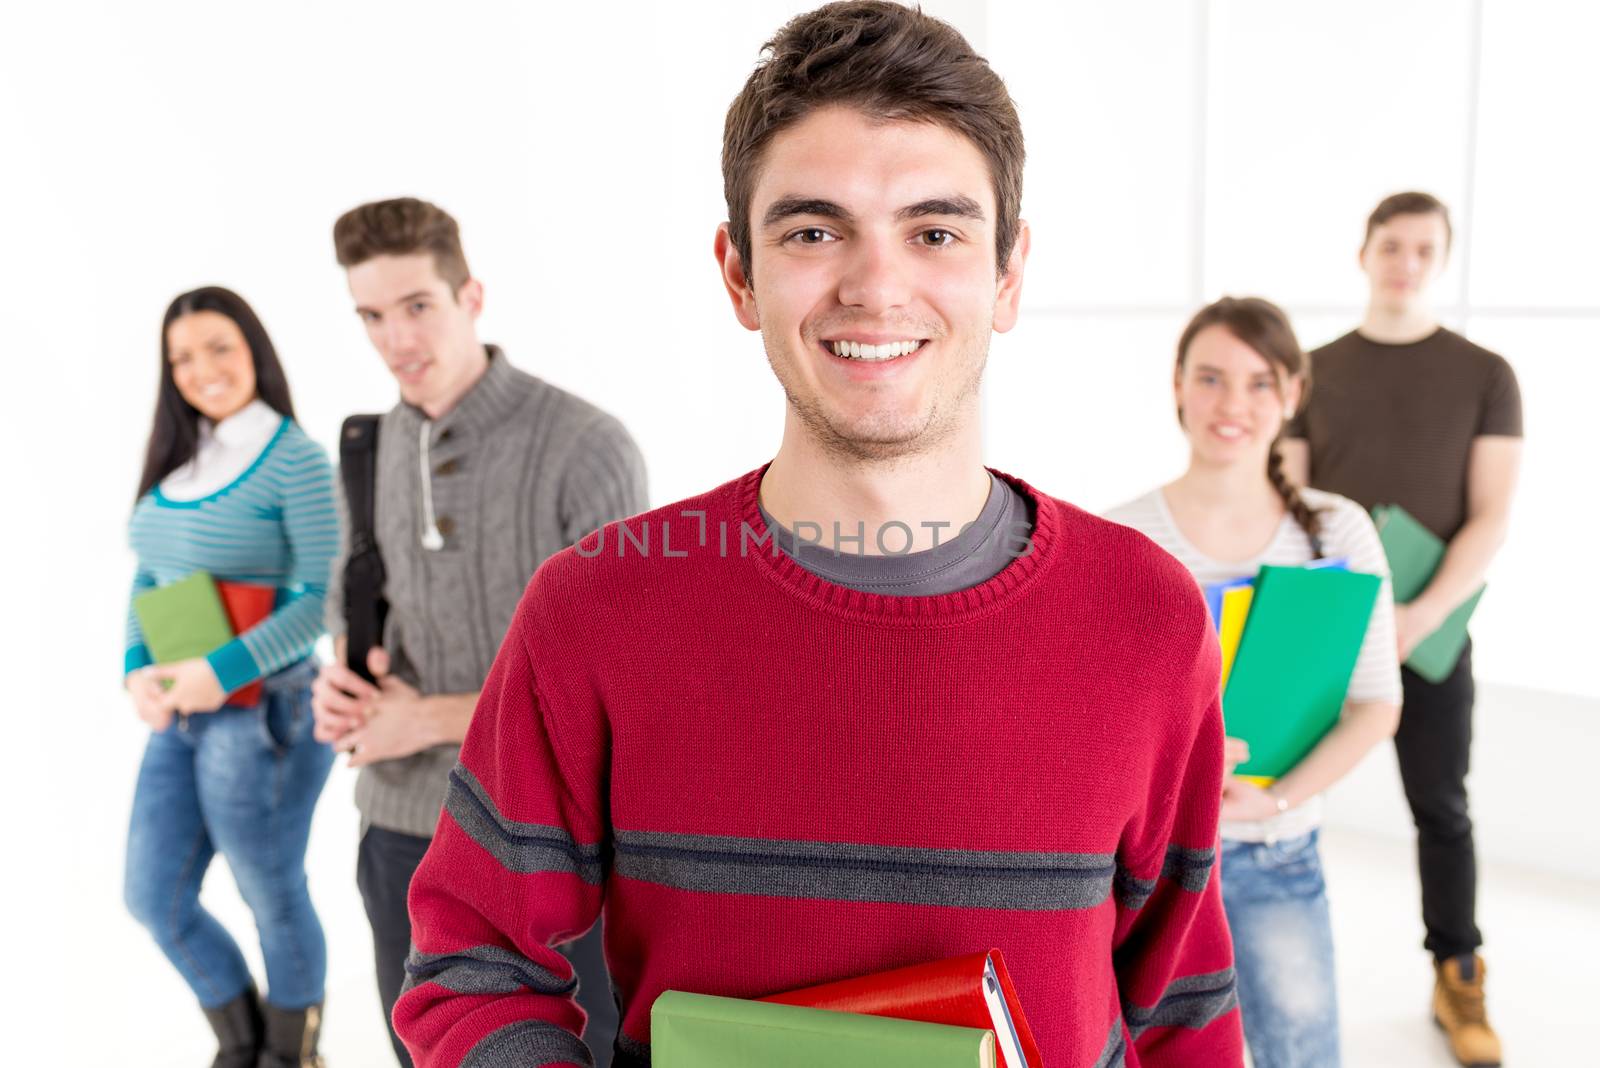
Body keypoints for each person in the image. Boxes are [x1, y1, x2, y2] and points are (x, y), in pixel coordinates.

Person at [394, 4, 1244, 1066]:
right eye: (812, 231)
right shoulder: (597, 610)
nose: (874, 287)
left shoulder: (1146, 615)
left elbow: (1181, 1009)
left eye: (934, 231)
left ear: (1008, 274)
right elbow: (473, 962)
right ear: (739, 274)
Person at [309, 197, 646, 1067]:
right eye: (372, 316)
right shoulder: (365, 447)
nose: (395, 339)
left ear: (472, 297)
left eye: (416, 306)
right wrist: (345, 687)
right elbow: (372, 615)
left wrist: (424, 718)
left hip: (548, 849)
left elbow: (620, 691)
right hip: (399, 835)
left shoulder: (587, 447)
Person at [1106, 297, 1402, 1068]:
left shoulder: (1337, 532)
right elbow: (1097, 720)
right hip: (1149, 869)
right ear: (1176, 386)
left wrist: (1274, 799)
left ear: (1293, 395)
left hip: (1276, 850)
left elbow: (1378, 705)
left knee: (1300, 1054)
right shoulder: (1123, 541)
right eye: (1210, 377)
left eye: (1259, 382)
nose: (1232, 404)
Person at [1280, 192, 1521, 1068]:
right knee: (1276, 794)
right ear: (1364, 253)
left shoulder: (1485, 373)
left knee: (1442, 807)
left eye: (1424, 248)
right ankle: (1251, 967)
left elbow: (1491, 517)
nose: (1405, 262)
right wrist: (1337, 619)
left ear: (1440, 259)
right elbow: (1289, 500)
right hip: (1325, 621)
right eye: (1392, 245)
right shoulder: (1310, 369)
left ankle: (1457, 971)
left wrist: (1417, 615)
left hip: (1431, 627)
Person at [123, 286, 340, 1068]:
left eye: (219, 347)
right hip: (182, 713)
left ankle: (292, 1055)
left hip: (265, 713)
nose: (202, 369)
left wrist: (223, 671)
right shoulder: (183, 458)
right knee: (152, 895)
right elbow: (153, 572)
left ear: (254, 349)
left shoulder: (295, 460)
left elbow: (324, 596)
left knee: (269, 892)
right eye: (182, 357)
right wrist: (133, 670)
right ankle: (245, 1046)